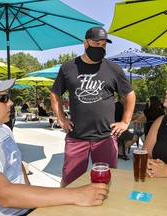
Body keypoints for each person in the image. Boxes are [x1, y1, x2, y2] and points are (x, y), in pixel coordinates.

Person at [0, 73, 108, 216]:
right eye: (3, 98)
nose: (11, 102)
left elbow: (17, 165)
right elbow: (4, 195)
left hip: (24, 209)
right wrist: (77, 195)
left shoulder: (3, 129)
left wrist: (31, 194)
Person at [51, 26, 136, 187]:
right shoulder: (68, 67)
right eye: (96, 44)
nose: (100, 48)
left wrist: (125, 122)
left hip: (106, 137)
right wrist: (61, 118)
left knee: (107, 182)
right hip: (77, 137)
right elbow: (55, 94)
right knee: (69, 182)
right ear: (85, 43)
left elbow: (130, 95)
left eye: (103, 45)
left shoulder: (114, 69)